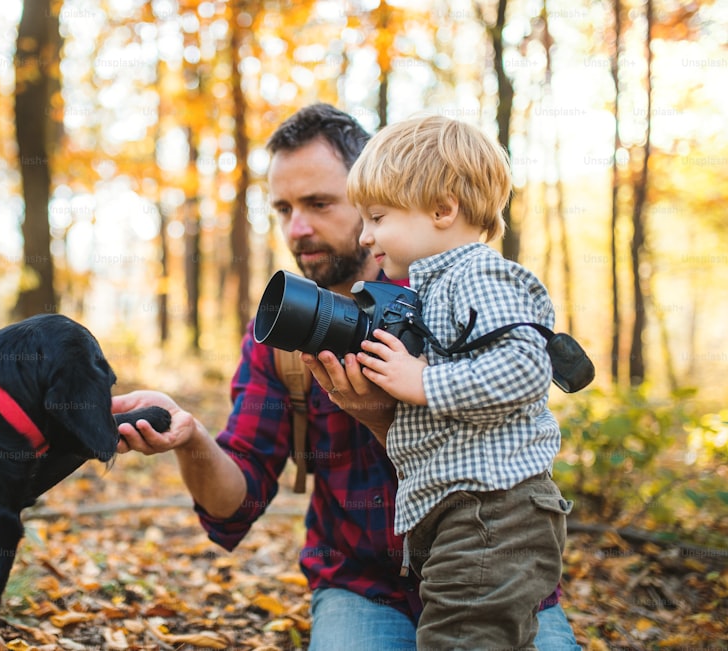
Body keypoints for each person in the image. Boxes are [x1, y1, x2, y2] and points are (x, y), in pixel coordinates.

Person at [113, 104, 580, 650]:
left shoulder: (454, 298)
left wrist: (391, 413)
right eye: (283, 208)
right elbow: (234, 507)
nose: (298, 228)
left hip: (493, 563)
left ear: (373, 200)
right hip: (364, 583)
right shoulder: (283, 338)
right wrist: (189, 438)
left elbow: (506, 422)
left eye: (319, 203)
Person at [346, 114, 572, 649]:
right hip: (467, 513)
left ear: (443, 209)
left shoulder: (478, 274)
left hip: (495, 511)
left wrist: (423, 382)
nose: (365, 234)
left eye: (377, 216)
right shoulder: (433, 289)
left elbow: (525, 368)